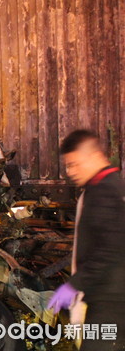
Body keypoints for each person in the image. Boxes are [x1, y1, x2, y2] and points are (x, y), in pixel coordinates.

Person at [47, 130, 125, 350]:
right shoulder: (101, 187)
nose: (71, 172)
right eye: (68, 166)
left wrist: (74, 285)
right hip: (107, 296)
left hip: (112, 301)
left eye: (75, 164)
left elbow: (111, 249)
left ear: (93, 157)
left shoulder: (106, 192)